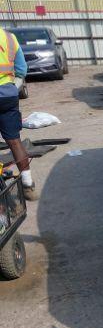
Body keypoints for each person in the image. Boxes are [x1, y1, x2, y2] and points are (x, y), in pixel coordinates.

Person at [0, 27, 37, 200]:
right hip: (8, 95)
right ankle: (28, 186)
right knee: (15, 141)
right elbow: (21, 69)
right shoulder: (9, 38)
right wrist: (12, 89)